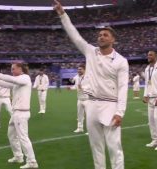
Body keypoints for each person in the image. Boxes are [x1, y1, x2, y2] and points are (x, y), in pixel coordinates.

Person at [54, 1, 129, 169]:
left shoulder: (121, 61)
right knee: (96, 147)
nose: (101, 37)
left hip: (110, 105)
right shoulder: (90, 51)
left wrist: (120, 112)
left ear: (113, 40)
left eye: (105, 35)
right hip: (91, 104)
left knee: (114, 147)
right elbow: (75, 36)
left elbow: (123, 88)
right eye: (100, 34)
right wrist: (62, 14)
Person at [0, 63, 38, 169]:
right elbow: (6, 84)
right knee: (11, 135)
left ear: (20, 68)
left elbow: (12, 80)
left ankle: (32, 162)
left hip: (21, 113)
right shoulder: (18, 81)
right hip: (16, 113)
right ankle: (18, 156)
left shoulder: (25, 78)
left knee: (23, 137)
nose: (12, 71)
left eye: (13, 69)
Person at [67, 64, 88, 133]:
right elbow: (76, 86)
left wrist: (82, 88)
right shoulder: (76, 77)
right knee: (79, 115)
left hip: (87, 99)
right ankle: (80, 128)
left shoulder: (88, 77)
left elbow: (90, 87)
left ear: (84, 70)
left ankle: (90, 130)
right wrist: (71, 88)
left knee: (89, 116)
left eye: (80, 69)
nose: (79, 70)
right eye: (78, 69)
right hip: (79, 99)